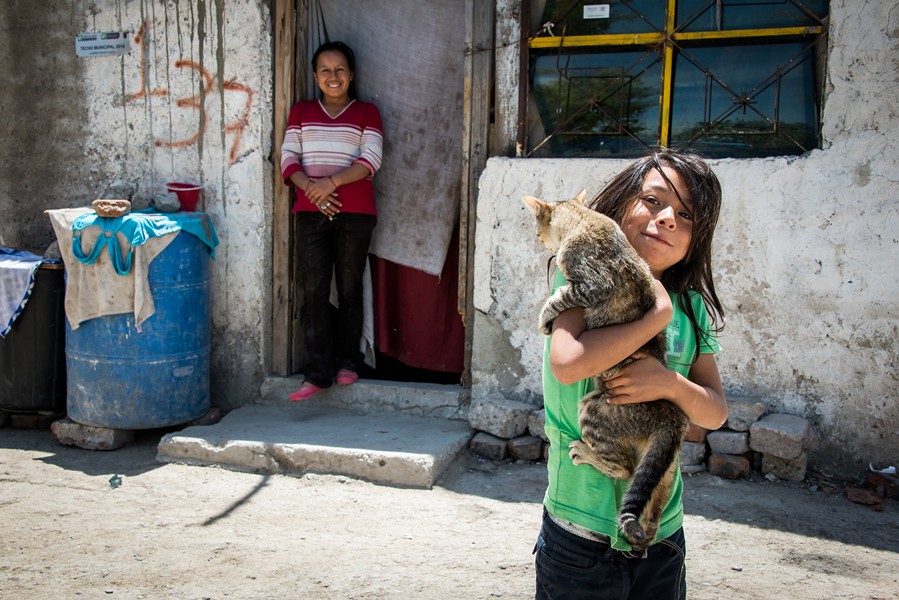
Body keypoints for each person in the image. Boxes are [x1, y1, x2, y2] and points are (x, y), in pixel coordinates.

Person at [534, 149, 729, 599]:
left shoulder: (691, 307)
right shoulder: (578, 287)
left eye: (684, 214)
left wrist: (669, 383)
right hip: (580, 534)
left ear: (695, 238)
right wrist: (653, 318)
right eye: (654, 201)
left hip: (661, 538)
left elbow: (715, 413)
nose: (665, 219)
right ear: (621, 205)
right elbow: (567, 365)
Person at [280, 41, 383, 401]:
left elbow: (371, 159)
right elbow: (288, 158)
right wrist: (312, 189)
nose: (333, 76)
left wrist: (330, 183)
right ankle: (318, 372)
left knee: (350, 288)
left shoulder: (367, 112)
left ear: (351, 75)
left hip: (355, 213)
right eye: (325, 70)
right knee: (315, 291)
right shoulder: (301, 111)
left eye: (340, 69)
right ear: (315, 76)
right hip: (310, 212)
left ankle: (348, 363)